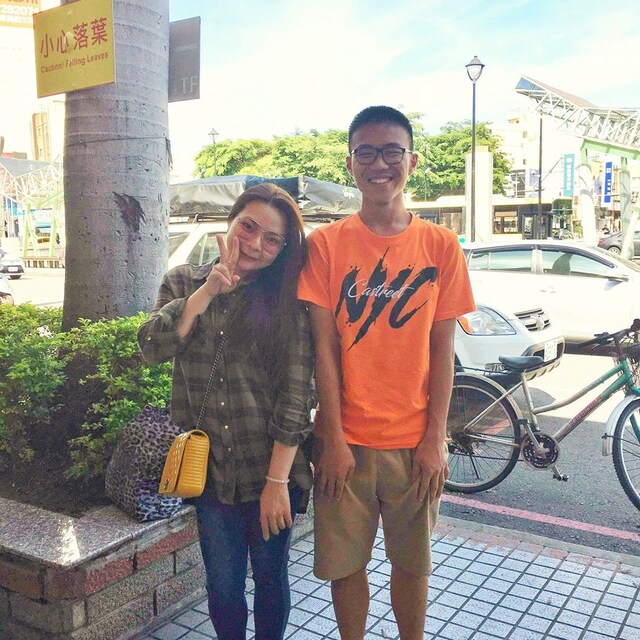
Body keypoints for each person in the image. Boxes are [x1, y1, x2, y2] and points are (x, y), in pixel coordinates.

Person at [298, 106, 476, 640]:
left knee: (413, 565)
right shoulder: (325, 245)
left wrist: (435, 438)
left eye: (392, 151)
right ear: (350, 163)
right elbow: (324, 349)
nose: (379, 164)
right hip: (345, 444)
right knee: (344, 566)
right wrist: (332, 437)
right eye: (366, 153)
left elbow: (443, 350)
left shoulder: (441, 246)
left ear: (412, 161)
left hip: (414, 443)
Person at [138, 183, 314, 640]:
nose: (255, 244)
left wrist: (277, 484)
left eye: (272, 240)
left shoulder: (287, 299)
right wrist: (206, 293)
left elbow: (297, 395)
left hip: (269, 469)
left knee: (271, 579)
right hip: (212, 473)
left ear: (283, 250)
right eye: (248, 227)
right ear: (231, 221)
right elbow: (151, 347)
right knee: (222, 586)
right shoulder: (182, 281)